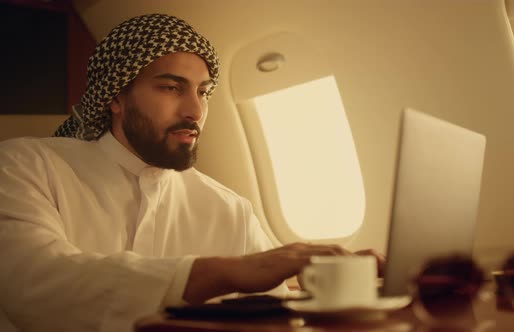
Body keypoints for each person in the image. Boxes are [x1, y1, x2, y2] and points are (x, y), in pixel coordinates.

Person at [0, 13, 384, 332]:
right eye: (171, 88)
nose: (195, 111)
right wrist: (225, 272)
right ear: (115, 96)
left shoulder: (229, 208)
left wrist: (345, 286)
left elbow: (275, 316)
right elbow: (36, 282)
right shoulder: (26, 165)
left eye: (203, 92)